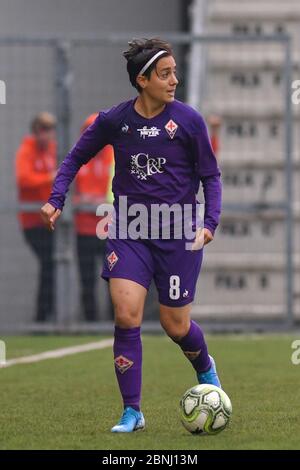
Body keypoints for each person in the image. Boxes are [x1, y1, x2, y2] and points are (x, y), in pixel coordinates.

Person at [41, 38, 222, 433]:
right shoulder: (114, 120)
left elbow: (210, 175)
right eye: (165, 73)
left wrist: (210, 222)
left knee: (175, 325)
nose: (174, 80)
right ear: (143, 80)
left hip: (178, 233)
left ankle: (205, 368)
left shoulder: (189, 121)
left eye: (174, 72)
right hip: (129, 230)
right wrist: (57, 198)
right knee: (126, 314)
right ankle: (132, 411)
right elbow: (75, 157)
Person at [16, 112, 57, 322]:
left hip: (48, 219)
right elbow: (24, 179)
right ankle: (42, 317)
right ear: (36, 130)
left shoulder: (51, 150)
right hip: (33, 222)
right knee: (48, 263)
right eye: (44, 129)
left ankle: (47, 315)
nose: (48, 134)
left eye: (50, 129)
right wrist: (48, 178)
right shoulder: (27, 150)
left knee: (52, 265)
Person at [74, 114, 114, 321]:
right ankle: (90, 321)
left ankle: (114, 322)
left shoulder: (113, 156)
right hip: (84, 228)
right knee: (87, 280)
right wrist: (83, 201)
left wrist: (97, 201)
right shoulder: (79, 158)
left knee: (113, 279)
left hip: (109, 230)